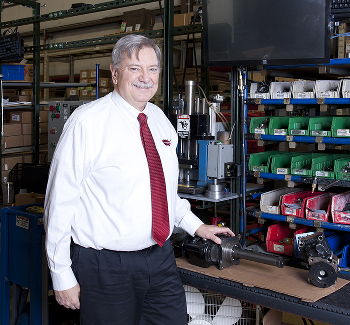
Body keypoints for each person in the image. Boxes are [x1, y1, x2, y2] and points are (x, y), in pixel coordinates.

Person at [44, 34, 235, 325]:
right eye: (135, 68)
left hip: (159, 257)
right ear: (116, 72)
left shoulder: (159, 120)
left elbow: (163, 191)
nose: (145, 77)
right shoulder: (88, 123)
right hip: (105, 266)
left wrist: (197, 226)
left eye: (153, 68)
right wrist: (61, 273)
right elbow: (59, 203)